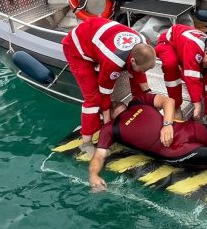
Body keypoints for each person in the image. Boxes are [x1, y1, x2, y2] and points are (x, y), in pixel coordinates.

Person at [88, 92, 207, 191]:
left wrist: (167, 124)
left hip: (185, 129)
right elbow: (99, 156)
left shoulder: (137, 101)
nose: (115, 103)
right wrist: (94, 175)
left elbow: (168, 101)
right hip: (174, 149)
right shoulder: (110, 129)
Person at [62, 16, 157, 157]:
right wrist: (108, 124)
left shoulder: (144, 45)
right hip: (76, 47)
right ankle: (86, 143)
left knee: (137, 75)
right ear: (132, 60)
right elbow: (105, 94)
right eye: (144, 69)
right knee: (93, 99)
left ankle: (138, 108)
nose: (144, 72)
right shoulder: (113, 61)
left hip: (97, 34)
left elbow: (139, 74)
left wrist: (148, 96)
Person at [154, 24, 207, 122]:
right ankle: (176, 106)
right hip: (168, 42)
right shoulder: (193, 47)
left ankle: (183, 70)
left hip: (185, 48)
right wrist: (197, 105)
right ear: (206, 50)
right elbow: (192, 78)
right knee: (171, 65)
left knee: (205, 80)